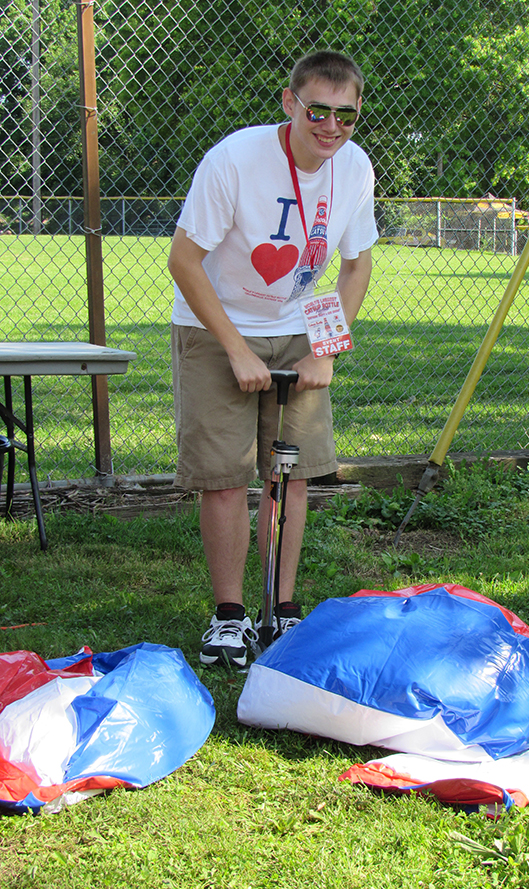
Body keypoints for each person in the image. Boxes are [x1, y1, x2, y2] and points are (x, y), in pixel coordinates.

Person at [168, 50, 378, 668]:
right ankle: (230, 616)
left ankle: (280, 610)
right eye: (318, 110)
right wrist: (234, 348)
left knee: (290, 475)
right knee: (227, 476)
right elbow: (184, 260)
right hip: (216, 323)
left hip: (298, 327)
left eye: (346, 115)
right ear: (291, 103)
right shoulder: (235, 159)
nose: (331, 126)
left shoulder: (355, 169)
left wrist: (325, 349)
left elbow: (357, 263)